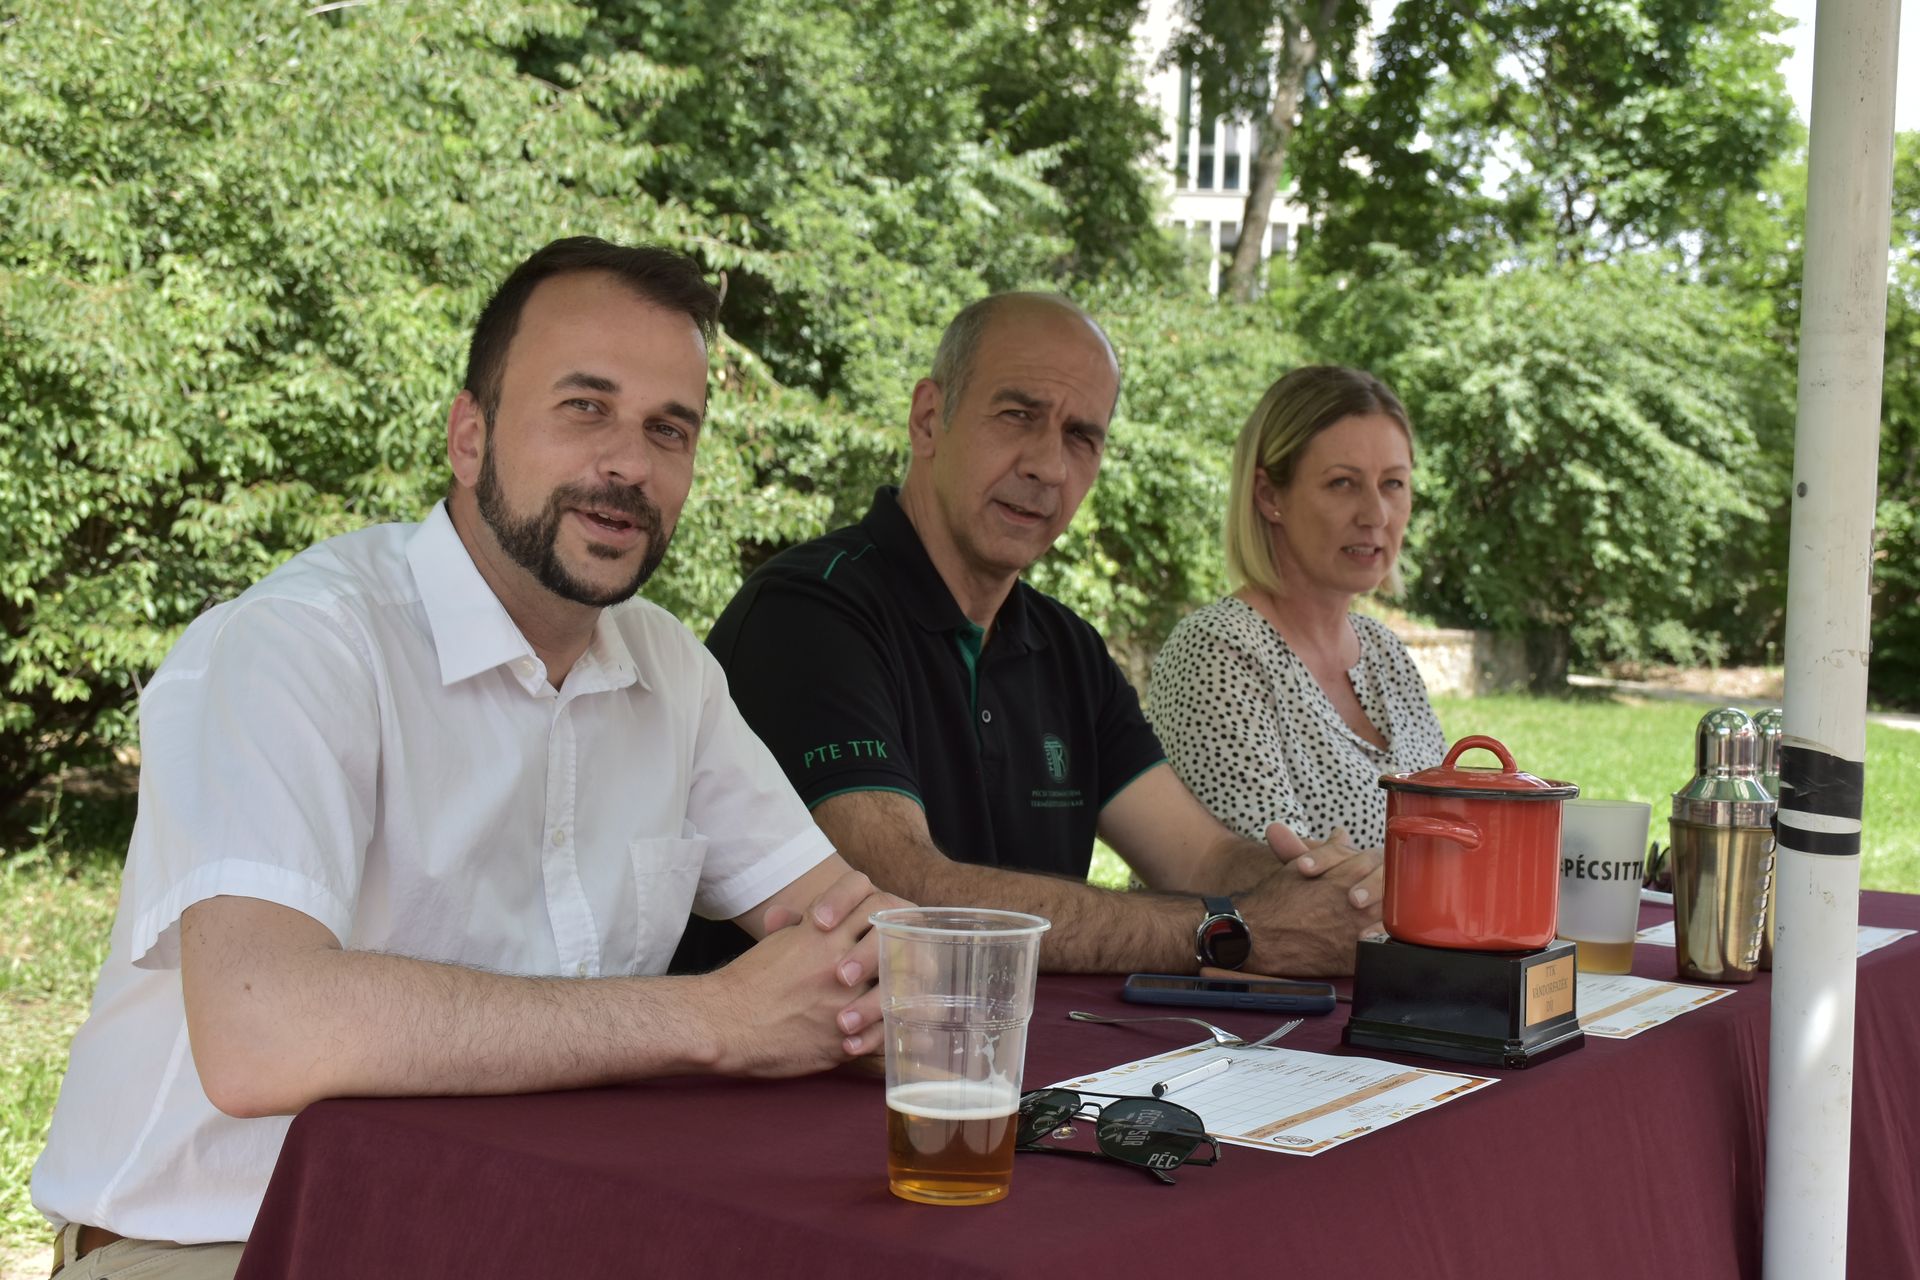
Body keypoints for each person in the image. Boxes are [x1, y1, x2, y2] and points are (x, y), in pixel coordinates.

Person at [30, 238, 900, 1279]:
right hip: (227, 1243)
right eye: (585, 406)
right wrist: (715, 1018)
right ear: (469, 436)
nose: (629, 463)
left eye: (669, 429)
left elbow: (856, 935)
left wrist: (901, 980)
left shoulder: (670, 671)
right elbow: (260, 1029)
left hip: (522, 1229)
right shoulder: (304, 641)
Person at [673, 293, 1382, 981]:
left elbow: (1199, 857)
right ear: (928, 420)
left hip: (1018, 1051)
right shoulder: (807, 612)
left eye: (1081, 437)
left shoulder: (1068, 649)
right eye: (1018, 416)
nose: (1049, 465)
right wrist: (1233, 931)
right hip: (807, 1058)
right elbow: (905, 895)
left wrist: (1330, 890)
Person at [1146, 365, 1447, 854]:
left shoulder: (1385, 653)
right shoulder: (1218, 652)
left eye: (1393, 484)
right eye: (1342, 483)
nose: (1375, 515)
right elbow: (1273, 880)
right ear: (1269, 496)